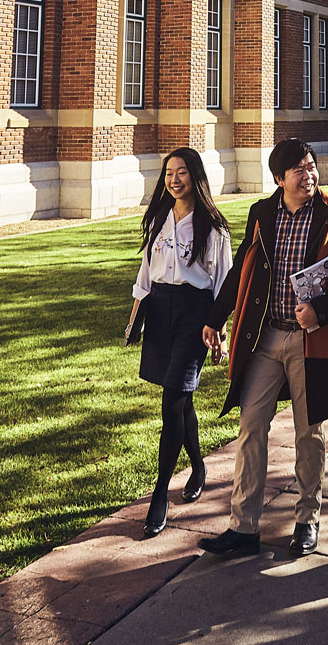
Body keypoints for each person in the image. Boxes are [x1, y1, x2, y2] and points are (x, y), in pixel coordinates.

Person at [198, 138, 328, 558]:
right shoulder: (262, 214)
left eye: (311, 166)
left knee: (309, 432)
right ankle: (243, 526)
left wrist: (321, 311)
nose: (308, 174)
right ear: (279, 177)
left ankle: (307, 520)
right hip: (265, 338)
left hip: (313, 341)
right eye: (299, 169)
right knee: (251, 427)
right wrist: (214, 319)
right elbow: (242, 270)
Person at [128, 147, 232, 537]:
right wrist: (136, 313)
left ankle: (160, 492)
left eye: (182, 172)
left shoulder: (213, 226)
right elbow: (146, 271)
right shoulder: (158, 218)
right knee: (180, 397)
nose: (174, 179)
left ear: (196, 176)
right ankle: (199, 465)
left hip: (195, 315)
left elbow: (223, 281)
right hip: (159, 310)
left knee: (172, 397)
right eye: (169, 173)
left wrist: (219, 328)